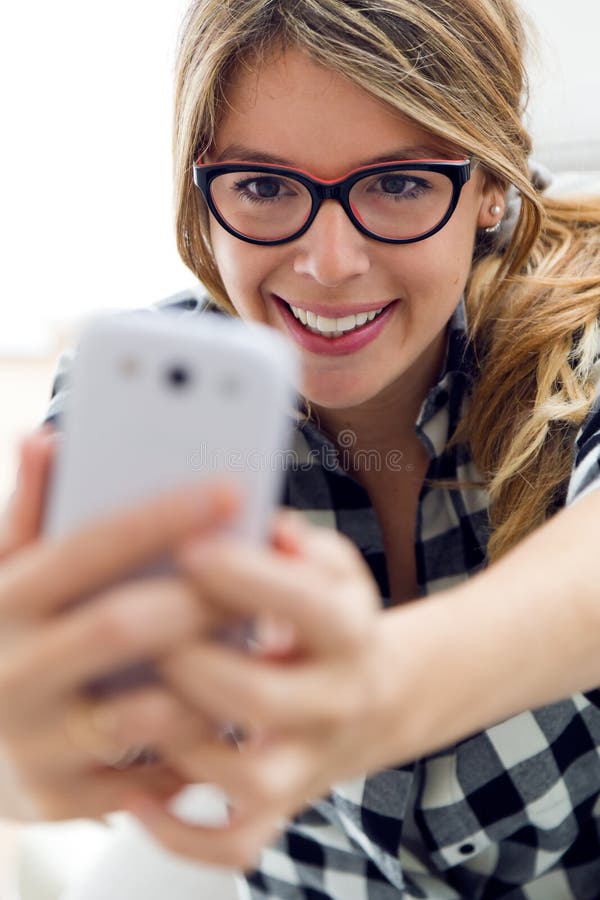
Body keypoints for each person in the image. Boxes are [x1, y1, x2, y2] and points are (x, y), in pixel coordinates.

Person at [3, 0, 600, 897]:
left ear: (489, 186)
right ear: (201, 194)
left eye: (399, 184)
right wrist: (33, 743)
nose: (329, 263)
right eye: (263, 186)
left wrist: (381, 686)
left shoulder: (585, 330)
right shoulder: (153, 395)